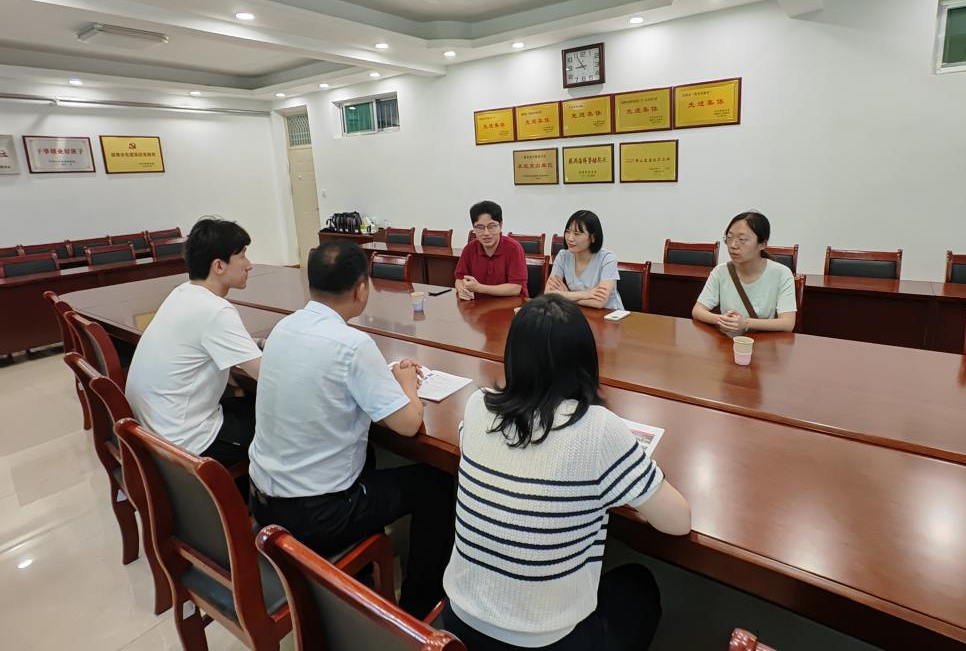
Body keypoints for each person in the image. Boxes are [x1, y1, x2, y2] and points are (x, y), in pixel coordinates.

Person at [442, 294, 692, 651]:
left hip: (458, 624)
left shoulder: (477, 404)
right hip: (545, 643)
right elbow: (678, 522)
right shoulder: (598, 428)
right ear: (586, 360)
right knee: (639, 585)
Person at [248, 240, 454, 619]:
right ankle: (419, 607)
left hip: (262, 502)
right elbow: (409, 424)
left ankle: (366, 568)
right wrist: (406, 383)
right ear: (361, 289)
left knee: (368, 452)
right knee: (438, 483)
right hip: (317, 515)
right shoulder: (352, 344)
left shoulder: (283, 328)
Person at [125, 217, 261, 465]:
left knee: (252, 404)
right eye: (242, 256)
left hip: (155, 431)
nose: (249, 265)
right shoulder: (215, 310)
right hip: (189, 443)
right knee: (283, 423)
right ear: (219, 266)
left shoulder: (181, 293)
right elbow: (267, 376)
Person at [691, 210, 797, 334]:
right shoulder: (721, 271)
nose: (733, 245)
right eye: (729, 238)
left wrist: (745, 323)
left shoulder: (782, 274)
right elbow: (697, 311)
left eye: (742, 239)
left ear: (762, 244)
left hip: (764, 344)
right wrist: (723, 320)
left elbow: (788, 323)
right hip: (728, 344)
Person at [545, 210, 623, 310]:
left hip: (609, 315)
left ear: (593, 237)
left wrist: (565, 294)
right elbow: (548, 293)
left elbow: (599, 302)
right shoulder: (563, 256)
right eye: (568, 232)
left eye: (577, 233)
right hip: (578, 312)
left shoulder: (607, 258)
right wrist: (586, 294)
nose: (570, 238)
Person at [454, 200, 528, 300]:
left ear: (500, 225)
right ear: (473, 228)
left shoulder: (514, 248)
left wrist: (479, 288)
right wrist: (461, 288)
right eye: (480, 227)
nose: (486, 233)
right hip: (478, 305)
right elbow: (459, 278)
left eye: (491, 226)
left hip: (511, 304)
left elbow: (515, 288)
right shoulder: (469, 249)